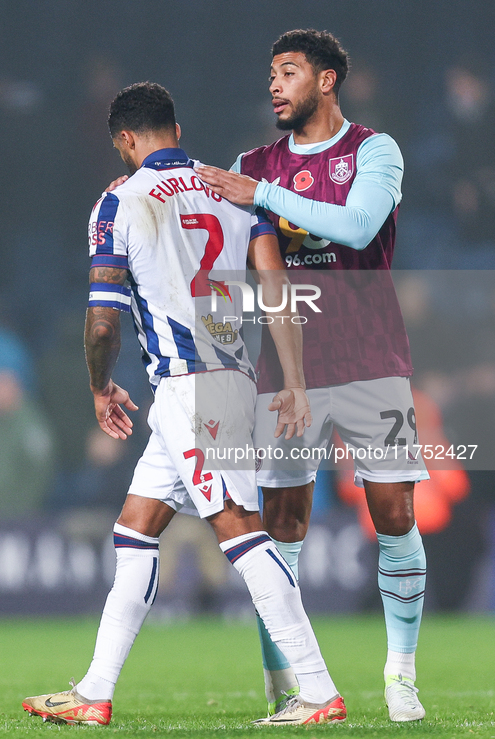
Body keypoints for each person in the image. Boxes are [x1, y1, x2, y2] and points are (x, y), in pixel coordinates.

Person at [22, 82, 346, 727]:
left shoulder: (120, 201)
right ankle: (94, 691)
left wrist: (99, 385)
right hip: (227, 379)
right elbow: (276, 286)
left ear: (124, 140)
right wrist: (297, 379)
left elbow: (104, 321)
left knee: (238, 531)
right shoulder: (231, 189)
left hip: (189, 390)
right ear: (176, 126)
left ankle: (317, 690)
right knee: (135, 532)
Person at [195, 29, 428, 723]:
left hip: (371, 362)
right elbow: (204, 218)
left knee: (393, 510)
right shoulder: (252, 162)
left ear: (325, 81)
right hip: (285, 370)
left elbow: (357, 228)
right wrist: (142, 188)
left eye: (288, 72)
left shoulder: (371, 150)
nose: (274, 84)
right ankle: (288, 682)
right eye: (270, 72)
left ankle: (401, 673)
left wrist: (261, 194)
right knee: (283, 522)